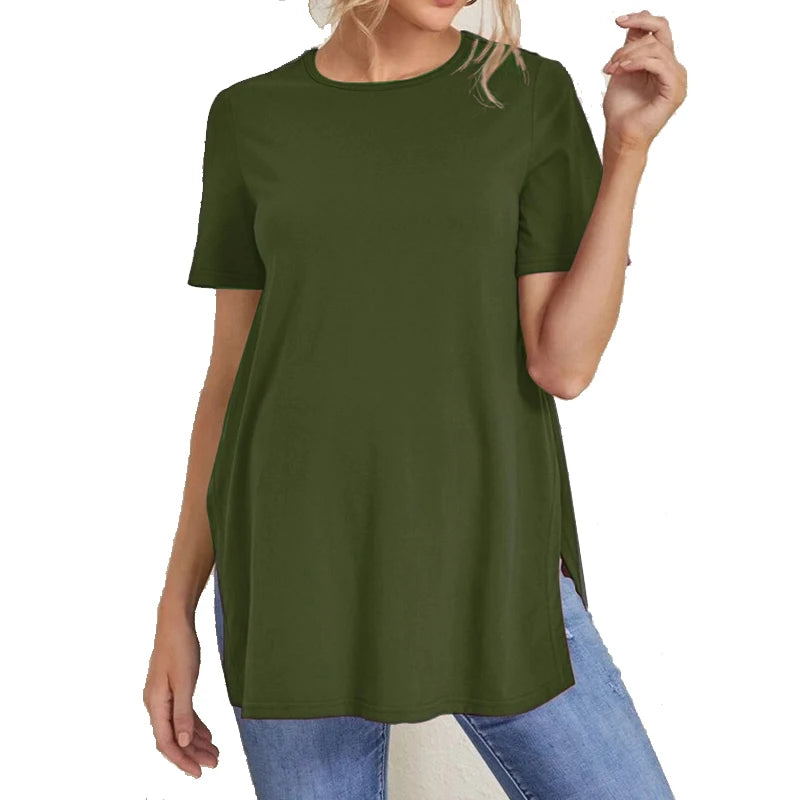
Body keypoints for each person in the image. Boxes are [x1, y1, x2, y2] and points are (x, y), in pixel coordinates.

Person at [143, 1, 687, 797]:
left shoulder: (527, 96)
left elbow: (564, 365)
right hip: (294, 577)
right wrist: (175, 608)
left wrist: (628, 151)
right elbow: (230, 376)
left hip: (493, 561)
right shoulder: (250, 116)